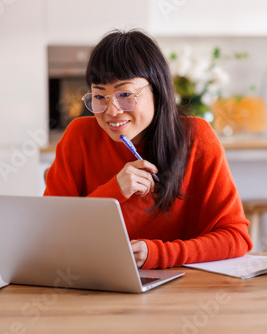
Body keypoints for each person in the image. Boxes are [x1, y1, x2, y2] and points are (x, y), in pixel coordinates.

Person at [44, 29, 252, 269]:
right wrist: (114, 190)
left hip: (184, 291)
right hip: (95, 285)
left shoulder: (197, 137)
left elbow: (236, 237)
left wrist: (159, 254)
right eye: (100, 96)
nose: (111, 111)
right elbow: (51, 234)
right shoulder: (79, 135)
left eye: (125, 94)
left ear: (158, 90)